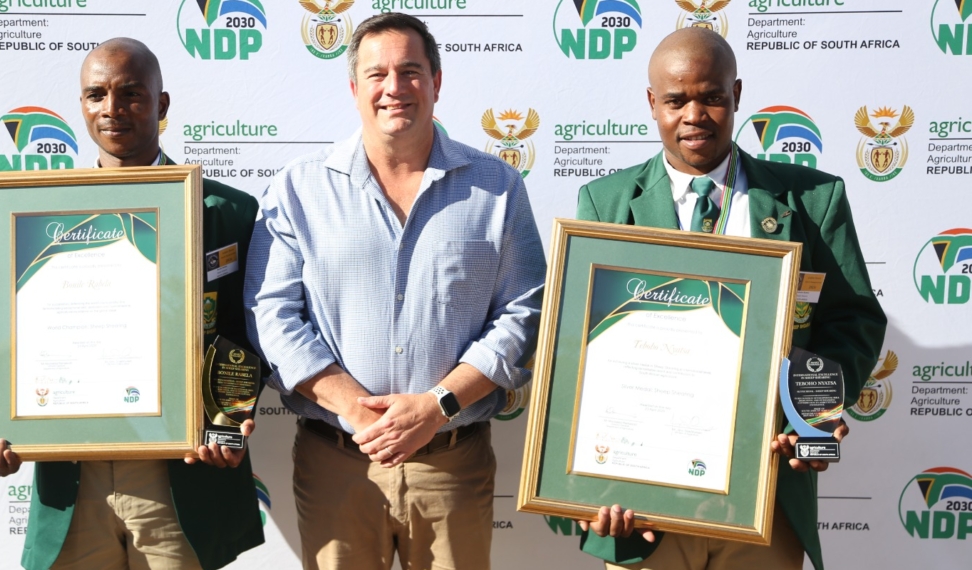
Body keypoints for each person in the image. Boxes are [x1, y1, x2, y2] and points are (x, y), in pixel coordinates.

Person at [573, 27, 886, 570]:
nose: (695, 114)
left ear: (736, 95)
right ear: (652, 104)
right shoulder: (604, 202)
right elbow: (578, 345)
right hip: (644, 506)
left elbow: (850, 321)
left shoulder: (811, 199)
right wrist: (584, 485)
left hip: (763, 501)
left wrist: (809, 415)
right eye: (676, 100)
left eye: (712, 96)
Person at [244, 13, 546, 570]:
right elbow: (272, 314)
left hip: (452, 468)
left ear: (437, 80)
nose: (394, 87)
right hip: (339, 464)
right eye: (377, 73)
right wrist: (359, 412)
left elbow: (524, 313)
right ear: (354, 87)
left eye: (410, 71)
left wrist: (437, 406)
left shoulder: (498, 186)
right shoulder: (299, 187)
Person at [0, 38, 264, 570]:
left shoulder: (226, 211)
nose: (111, 109)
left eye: (130, 94)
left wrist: (225, 421)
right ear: (80, 105)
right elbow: (10, 341)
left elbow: (251, 337)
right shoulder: (30, 215)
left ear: (161, 105)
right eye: (95, 94)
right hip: (73, 477)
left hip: (180, 475)